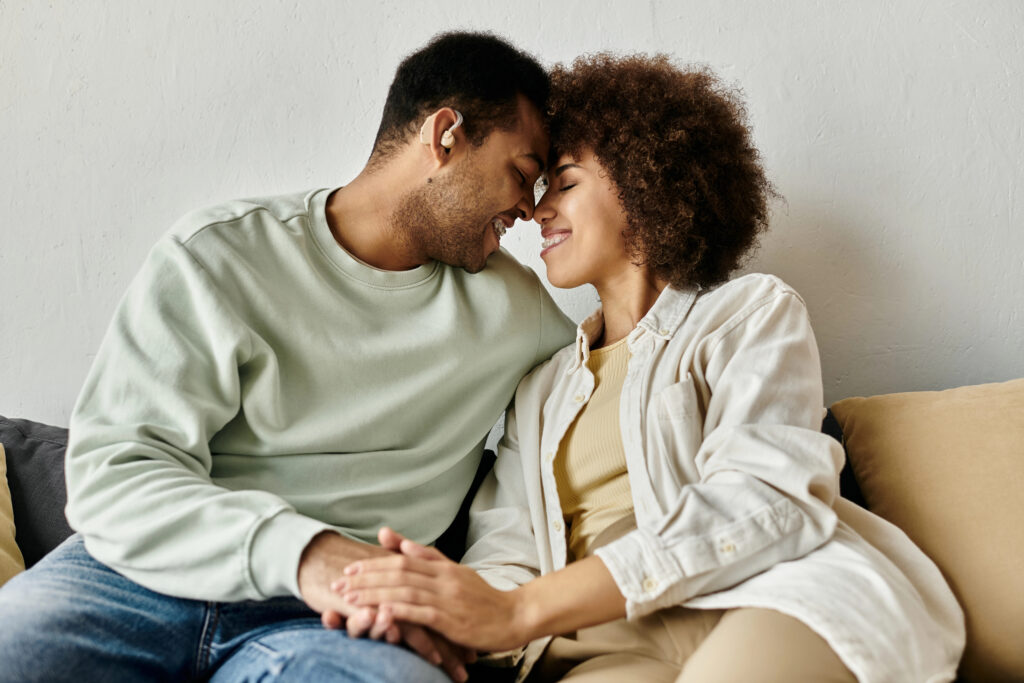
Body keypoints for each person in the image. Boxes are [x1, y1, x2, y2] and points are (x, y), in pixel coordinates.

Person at [326, 55, 966, 682]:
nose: (539, 211)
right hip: (599, 646)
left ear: (647, 186)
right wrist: (436, 605)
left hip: (764, 597)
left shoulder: (747, 316)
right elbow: (506, 550)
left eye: (566, 183)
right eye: (541, 188)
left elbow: (765, 500)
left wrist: (520, 610)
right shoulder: (541, 388)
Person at [0, 32, 576, 683]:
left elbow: (570, 429)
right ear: (446, 136)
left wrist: (468, 599)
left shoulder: (517, 312)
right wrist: (308, 552)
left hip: (340, 623)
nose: (529, 209)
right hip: (140, 578)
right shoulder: (220, 257)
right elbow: (113, 474)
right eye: (522, 174)